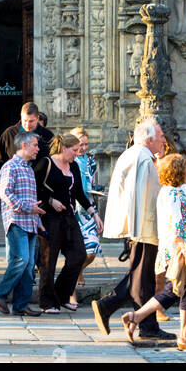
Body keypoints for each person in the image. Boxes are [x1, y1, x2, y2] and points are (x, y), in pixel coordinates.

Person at [91, 118, 175, 344]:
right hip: (145, 228)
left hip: (138, 227)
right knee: (141, 277)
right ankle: (107, 306)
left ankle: (145, 324)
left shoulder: (135, 154)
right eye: (160, 137)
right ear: (149, 139)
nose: (164, 140)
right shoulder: (143, 159)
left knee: (142, 278)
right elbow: (150, 196)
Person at [123, 154, 186, 351]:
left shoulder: (172, 191)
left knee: (180, 290)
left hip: (178, 248)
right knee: (180, 291)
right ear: (177, 172)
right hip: (179, 249)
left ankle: (180, 334)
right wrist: (182, 251)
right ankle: (182, 336)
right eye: (185, 169)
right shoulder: (173, 195)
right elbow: (176, 225)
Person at [37, 134, 102, 314]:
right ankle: (47, 302)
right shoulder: (46, 163)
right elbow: (34, 189)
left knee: (78, 255)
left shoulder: (73, 165)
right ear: (64, 148)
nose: (77, 153)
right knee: (48, 261)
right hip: (50, 218)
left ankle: (62, 295)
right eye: (74, 150)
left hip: (69, 217)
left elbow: (80, 193)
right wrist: (51, 201)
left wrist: (94, 214)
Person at [0, 130, 46, 317]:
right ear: (24, 145)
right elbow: (6, 194)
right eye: (35, 145)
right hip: (16, 221)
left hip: (30, 222)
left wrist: (37, 219)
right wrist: (27, 208)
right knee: (21, 259)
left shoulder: (29, 168)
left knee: (29, 265)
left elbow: (33, 199)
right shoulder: (10, 166)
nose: (38, 149)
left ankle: (21, 304)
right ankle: (0, 292)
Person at [70, 127, 102, 304]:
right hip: (73, 210)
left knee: (92, 249)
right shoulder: (68, 160)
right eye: (79, 144)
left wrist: (97, 189)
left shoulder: (90, 161)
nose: (83, 148)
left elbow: (92, 181)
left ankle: (78, 271)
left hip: (88, 209)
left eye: (86, 144)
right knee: (76, 251)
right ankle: (71, 286)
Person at [0, 101, 53, 189]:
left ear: (37, 118)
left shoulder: (47, 136)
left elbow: (54, 161)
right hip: (13, 186)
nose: (27, 125)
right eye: (25, 120)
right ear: (21, 117)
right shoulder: (9, 133)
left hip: (40, 187)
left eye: (31, 121)